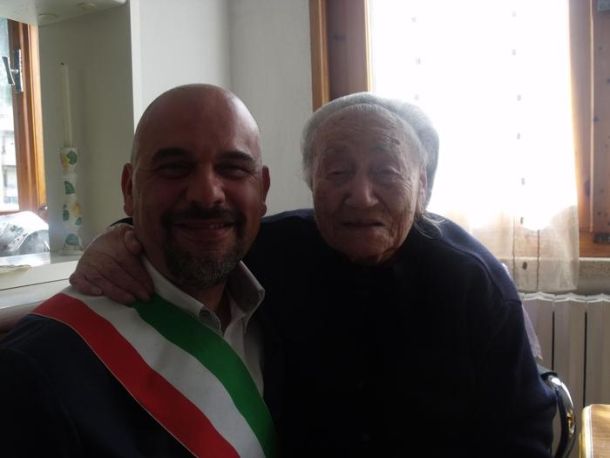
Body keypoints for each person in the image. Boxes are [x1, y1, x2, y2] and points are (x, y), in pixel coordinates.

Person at [69, 92, 557, 457]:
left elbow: (523, 433)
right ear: (310, 181)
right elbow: (191, 230)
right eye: (337, 172)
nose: (361, 196)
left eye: (386, 172)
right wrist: (120, 237)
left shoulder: (474, 282)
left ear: (422, 187)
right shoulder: (270, 248)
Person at [0, 84, 277, 457]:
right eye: (174, 168)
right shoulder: (35, 366)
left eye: (233, 168)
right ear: (129, 189)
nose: (206, 194)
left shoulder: (291, 298)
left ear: (263, 190)